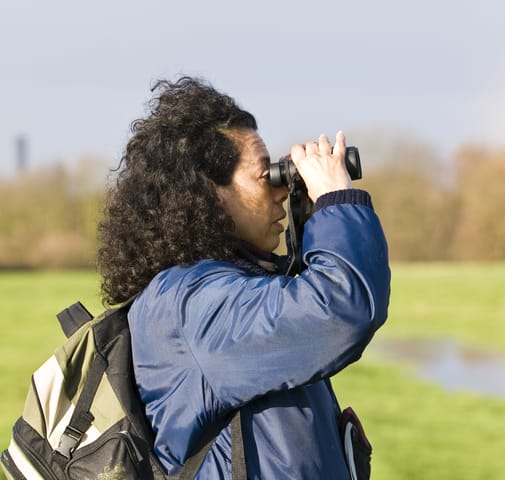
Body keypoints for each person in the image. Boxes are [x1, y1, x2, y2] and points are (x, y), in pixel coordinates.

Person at [97, 77, 390, 479]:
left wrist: (311, 220)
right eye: (266, 176)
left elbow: (297, 312)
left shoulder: (215, 291)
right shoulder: (192, 303)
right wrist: (335, 197)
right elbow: (341, 308)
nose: (281, 191)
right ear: (209, 193)